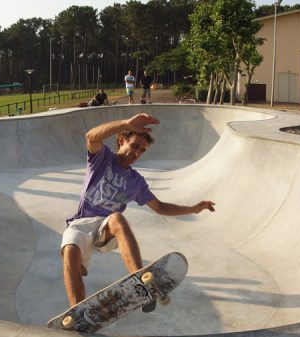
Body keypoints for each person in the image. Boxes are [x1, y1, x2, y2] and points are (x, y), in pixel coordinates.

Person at [60, 113, 216, 311]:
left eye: (142, 151)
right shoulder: (102, 159)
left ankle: (140, 281)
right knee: (70, 252)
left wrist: (193, 208)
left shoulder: (136, 182)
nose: (136, 153)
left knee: (117, 217)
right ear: (121, 140)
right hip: (81, 222)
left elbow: (159, 207)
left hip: (106, 228)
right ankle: (78, 313)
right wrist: (126, 123)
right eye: (134, 146)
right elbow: (91, 137)